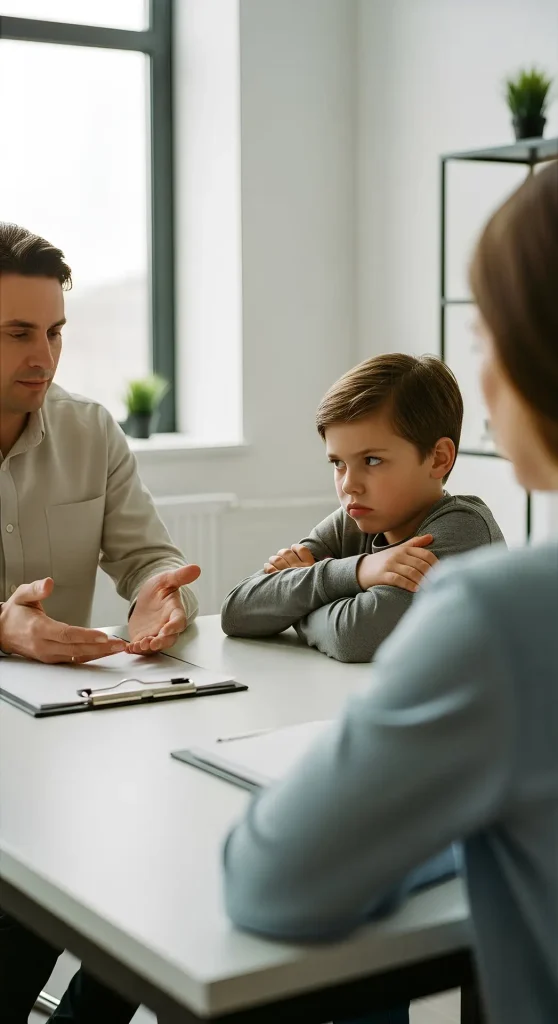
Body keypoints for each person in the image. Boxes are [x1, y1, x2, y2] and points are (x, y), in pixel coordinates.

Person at [223, 162, 558, 1023]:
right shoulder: (366, 525)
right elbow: (242, 604)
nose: (349, 483)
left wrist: (307, 600)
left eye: (486, 337)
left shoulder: (500, 604)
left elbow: (271, 879)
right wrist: (343, 579)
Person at [0, 222, 201, 1022]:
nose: (41, 356)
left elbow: (148, 554)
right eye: (17, 333)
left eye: (53, 332)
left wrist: (159, 591)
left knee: (157, 900)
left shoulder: (90, 430)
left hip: (63, 748)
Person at [221, 353, 504, 662]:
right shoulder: (353, 521)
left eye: (372, 460)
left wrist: (297, 602)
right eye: (338, 463)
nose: (348, 485)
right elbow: (237, 611)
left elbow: (354, 636)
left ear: (438, 458)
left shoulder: (463, 530)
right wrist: (360, 570)